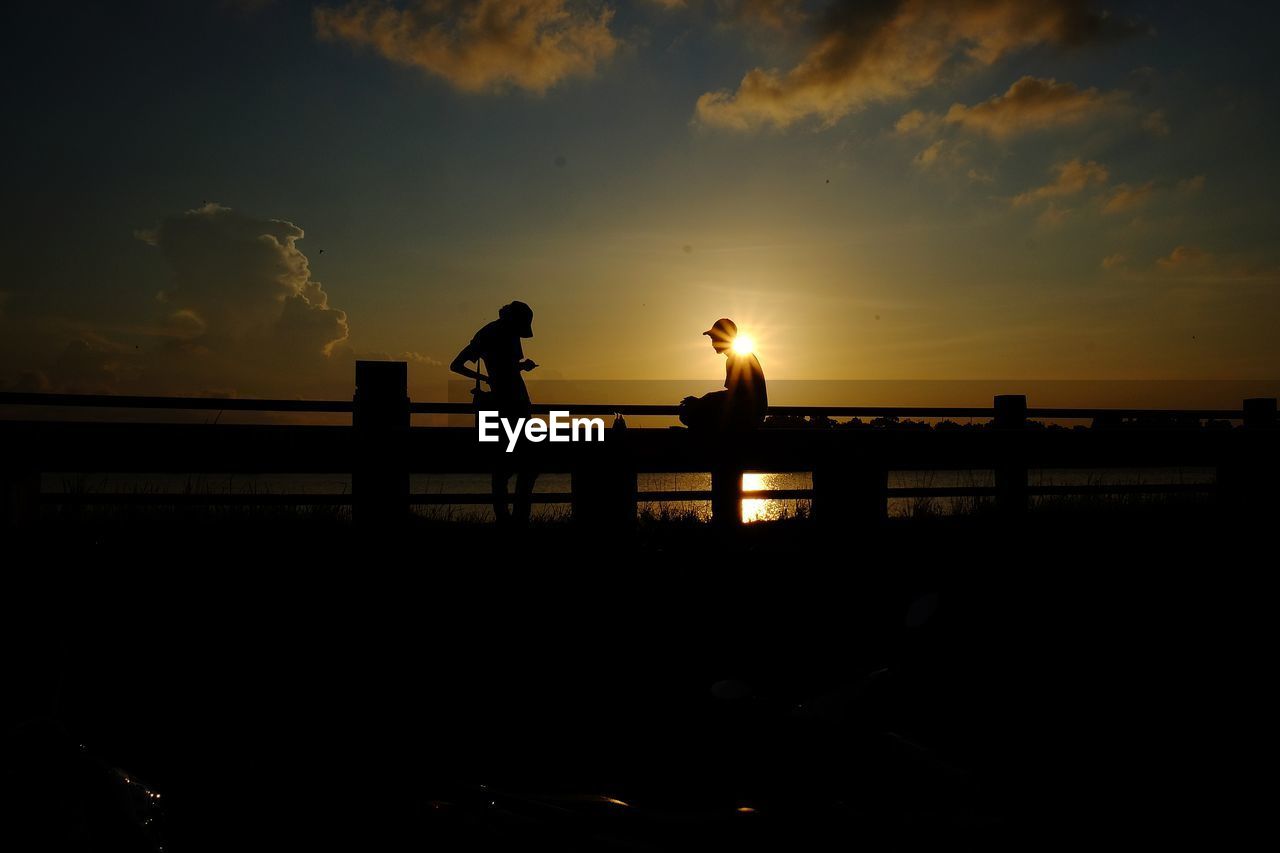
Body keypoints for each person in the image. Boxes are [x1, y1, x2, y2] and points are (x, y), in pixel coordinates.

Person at [450, 301, 539, 526]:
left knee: (504, 464)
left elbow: (460, 365)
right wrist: (491, 378)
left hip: (501, 402)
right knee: (524, 464)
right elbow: (504, 369)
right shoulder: (503, 333)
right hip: (513, 402)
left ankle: (506, 517)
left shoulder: (486, 333)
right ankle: (517, 518)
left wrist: (488, 378)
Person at [679, 318, 768, 431]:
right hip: (752, 415)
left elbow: (734, 396)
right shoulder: (741, 356)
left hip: (747, 417)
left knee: (691, 415)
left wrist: (703, 400)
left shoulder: (736, 359)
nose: (712, 343)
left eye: (714, 338)